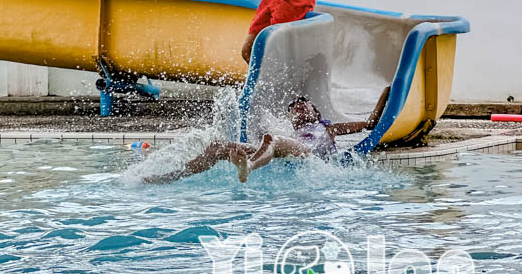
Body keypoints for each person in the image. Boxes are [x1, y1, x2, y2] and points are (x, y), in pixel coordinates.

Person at [142, 87, 390, 184]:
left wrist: (388, 92)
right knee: (218, 146)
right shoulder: (293, 133)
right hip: (289, 151)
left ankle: (248, 166)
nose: (298, 106)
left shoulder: (329, 128)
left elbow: (370, 123)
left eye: (304, 103)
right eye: (293, 107)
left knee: (273, 139)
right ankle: (172, 176)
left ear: (317, 112)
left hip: (309, 154)